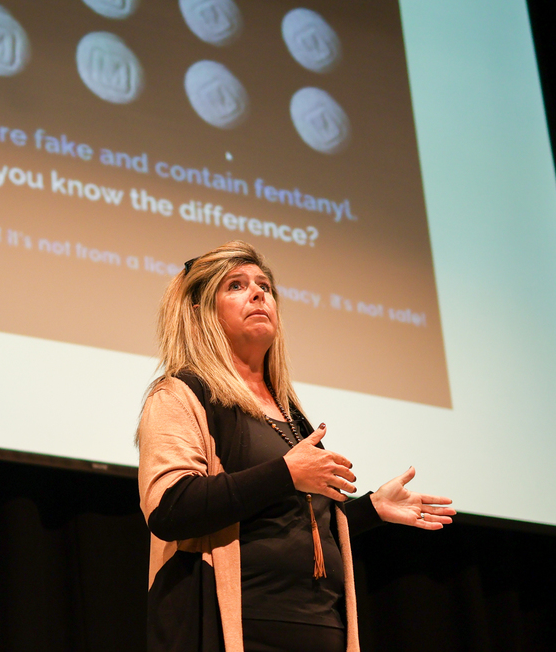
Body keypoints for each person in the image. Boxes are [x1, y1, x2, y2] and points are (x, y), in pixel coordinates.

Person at [137, 241, 455, 652]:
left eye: (264, 286)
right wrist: (286, 473)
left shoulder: (290, 412)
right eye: (235, 285)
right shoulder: (181, 394)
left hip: (319, 629)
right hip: (241, 629)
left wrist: (369, 509)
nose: (258, 293)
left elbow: (286, 520)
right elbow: (170, 508)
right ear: (199, 314)